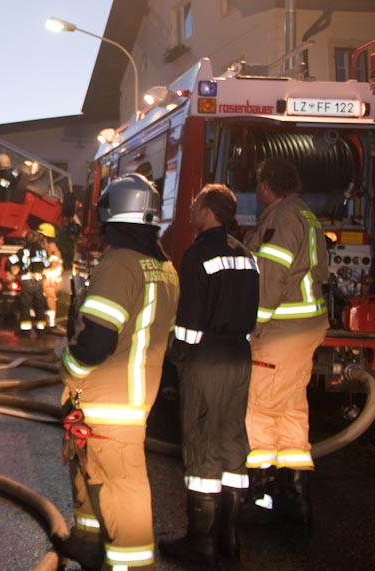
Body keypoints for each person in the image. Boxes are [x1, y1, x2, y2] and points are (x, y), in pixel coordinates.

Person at [53, 173, 179, 571]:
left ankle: (129, 564)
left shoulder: (120, 264)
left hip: (108, 395)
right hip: (131, 394)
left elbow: (96, 341)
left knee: (121, 487)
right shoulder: (163, 267)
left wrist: (68, 366)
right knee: (90, 472)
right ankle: (89, 541)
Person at [158, 184, 259, 565]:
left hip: (207, 359)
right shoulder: (245, 254)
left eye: (196, 204)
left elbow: (189, 322)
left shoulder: (198, 253)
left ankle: (200, 542)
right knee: (232, 440)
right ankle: (228, 538)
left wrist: (177, 361)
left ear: (209, 210)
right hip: (240, 356)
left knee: (201, 443)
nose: (190, 209)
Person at [242, 158, 329, 526]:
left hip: (281, 330)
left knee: (260, 409)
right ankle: (296, 496)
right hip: (303, 330)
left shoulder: (281, 218)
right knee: (291, 408)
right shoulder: (304, 214)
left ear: (266, 185)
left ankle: (259, 495)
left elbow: (270, 280)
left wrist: (251, 328)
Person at [7, 230, 49, 336]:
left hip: (26, 281)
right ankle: (41, 330)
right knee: (39, 305)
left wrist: (13, 271)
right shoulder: (42, 251)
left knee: (25, 306)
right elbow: (47, 264)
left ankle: (25, 331)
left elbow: (9, 262)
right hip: (38, 281)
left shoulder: (22, 251)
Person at [37, 222, 66, 334]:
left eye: (40, 234)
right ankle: (47, 322)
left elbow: (53, 265)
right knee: (47, 300)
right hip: (49, 277)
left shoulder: (51, 248)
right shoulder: (47, 246)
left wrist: (42, 270)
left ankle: (51, 323)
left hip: (50, 278)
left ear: (44, 236)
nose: (38, 236)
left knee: (50, 300)